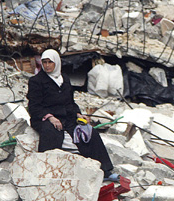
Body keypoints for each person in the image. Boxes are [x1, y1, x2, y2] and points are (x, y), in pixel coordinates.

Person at [27, 49, 119, 181]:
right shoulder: (36, 81)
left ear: (56, 63)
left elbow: (70, 102)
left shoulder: (64, 79)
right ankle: (47, 173)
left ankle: (105, 171)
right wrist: (50, 117)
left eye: (50, 62)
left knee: (90, 133)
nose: (47, 65)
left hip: (66, 117)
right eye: (44, 62)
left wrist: (79, 114)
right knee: (52, 133)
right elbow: (34, 107)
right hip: (45, 118)